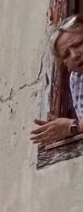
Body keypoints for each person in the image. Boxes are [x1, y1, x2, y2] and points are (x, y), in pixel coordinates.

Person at [32, 15, 83, 147]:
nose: (75, 55)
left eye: (78, 44)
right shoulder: (76, 78)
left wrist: (72, 127)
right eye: (66, 54)